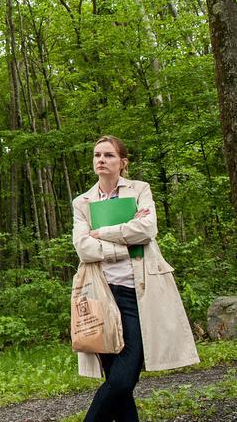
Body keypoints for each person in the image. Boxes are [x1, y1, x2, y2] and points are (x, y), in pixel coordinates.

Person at [72, 135, 199, 422]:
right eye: (97, 155)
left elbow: (146, 229)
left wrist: (102, 233)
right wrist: (122, 245)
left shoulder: (140, 190)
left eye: (108, 155)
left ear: (123, 162)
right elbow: (82, 247)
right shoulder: (83, 202)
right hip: (100, 295)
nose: (101, 160)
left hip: (136, 293)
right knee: (119, 383)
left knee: (123, 379)